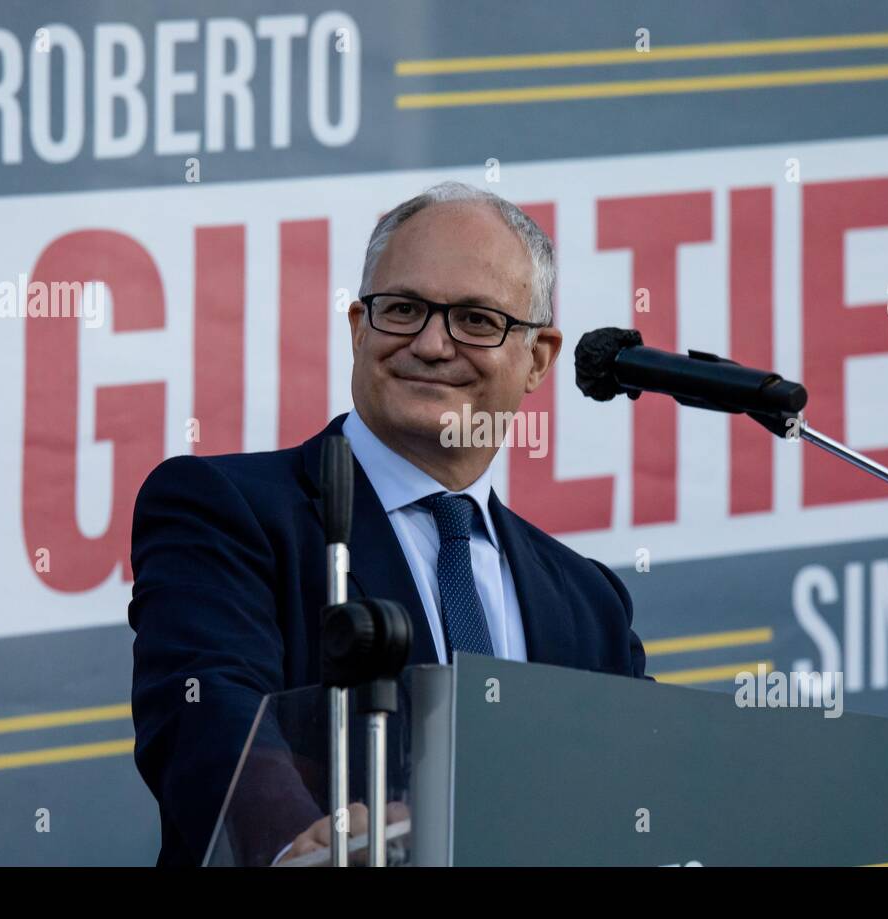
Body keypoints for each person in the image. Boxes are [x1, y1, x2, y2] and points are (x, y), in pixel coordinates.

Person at [129, 181, 650, 867]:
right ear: (357, 328)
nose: (432, 345)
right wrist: (295, 845)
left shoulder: (590, 603)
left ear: (539, 358)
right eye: (402, 309)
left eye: (475, 320)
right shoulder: (224, 508)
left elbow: (635, 800)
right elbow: (205, 709)